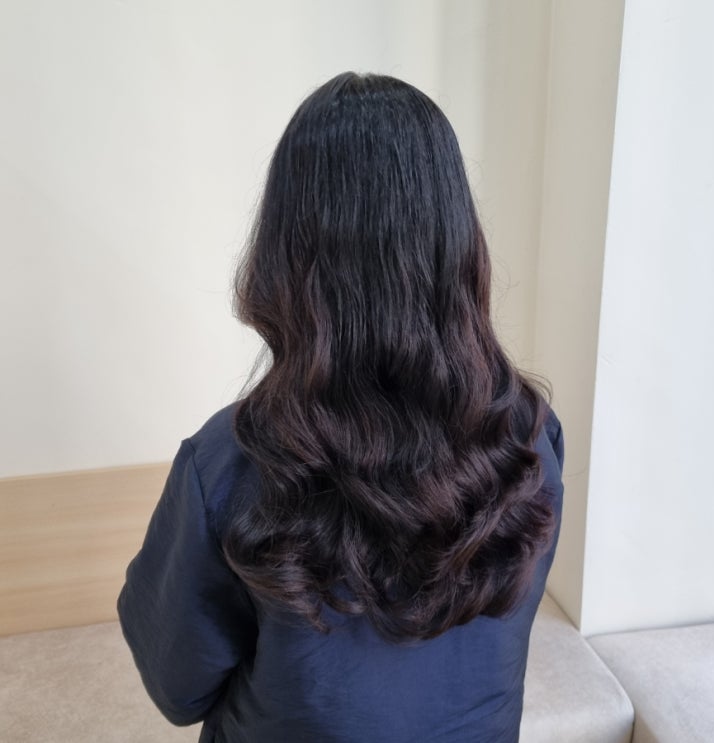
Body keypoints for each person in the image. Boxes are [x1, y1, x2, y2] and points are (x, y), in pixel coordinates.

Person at [117, 71, 565, 743]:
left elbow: (178, 686)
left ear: (285, 253)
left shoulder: (227, 466)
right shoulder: (529, 436)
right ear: (456, 242)